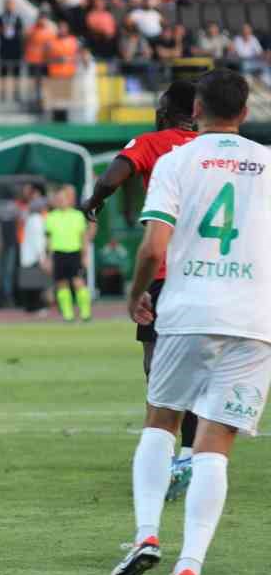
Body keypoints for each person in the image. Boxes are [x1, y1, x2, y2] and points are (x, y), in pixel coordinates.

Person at [109, 69, 267, 575]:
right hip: (252, 320)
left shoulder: (176, 161)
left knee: (162, 420)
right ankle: (190, 566)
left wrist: (135, 296)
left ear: (195, 109)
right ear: (245, 113)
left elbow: (154, 248)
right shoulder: (268, 165)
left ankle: (146, 534)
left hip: (187, 309)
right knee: (215, 445)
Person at [80, 80, 198, 494]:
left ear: (166, 110)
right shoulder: (215, 149)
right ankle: (192, 456)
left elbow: (115, 173)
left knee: (159, 367)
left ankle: (167, 455)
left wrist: (94, 200)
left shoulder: (152, 142)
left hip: (167, 272)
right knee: (203, 369)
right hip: (216, 274)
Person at [44, 185, 92, 323]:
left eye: (63, 198)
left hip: (74, 253)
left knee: (78, 282)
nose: (61, 201)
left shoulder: (77, 216)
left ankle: (85, 313)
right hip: (58, 253)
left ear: (69, 200)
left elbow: (84, 238)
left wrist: (85, 256)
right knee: (61, 284)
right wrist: (47, 258)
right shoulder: (51, 217)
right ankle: (68, 314)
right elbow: (48, 239)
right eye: (58, 199)